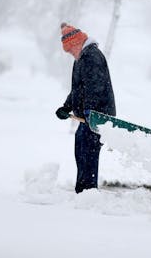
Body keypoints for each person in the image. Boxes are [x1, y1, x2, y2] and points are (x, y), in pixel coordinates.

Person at [55, 23, 116, 194]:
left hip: (98, 117)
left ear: (77, 44)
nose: (70, 54)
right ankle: (81, 190)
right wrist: (67, 107)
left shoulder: (92, 57)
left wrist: (90, 111)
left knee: (89, 153)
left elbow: (94, 88)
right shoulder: (81, 59)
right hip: (86, 117)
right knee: (80, 150)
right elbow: (78, 89)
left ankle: (88, 191)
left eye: (70, 50)